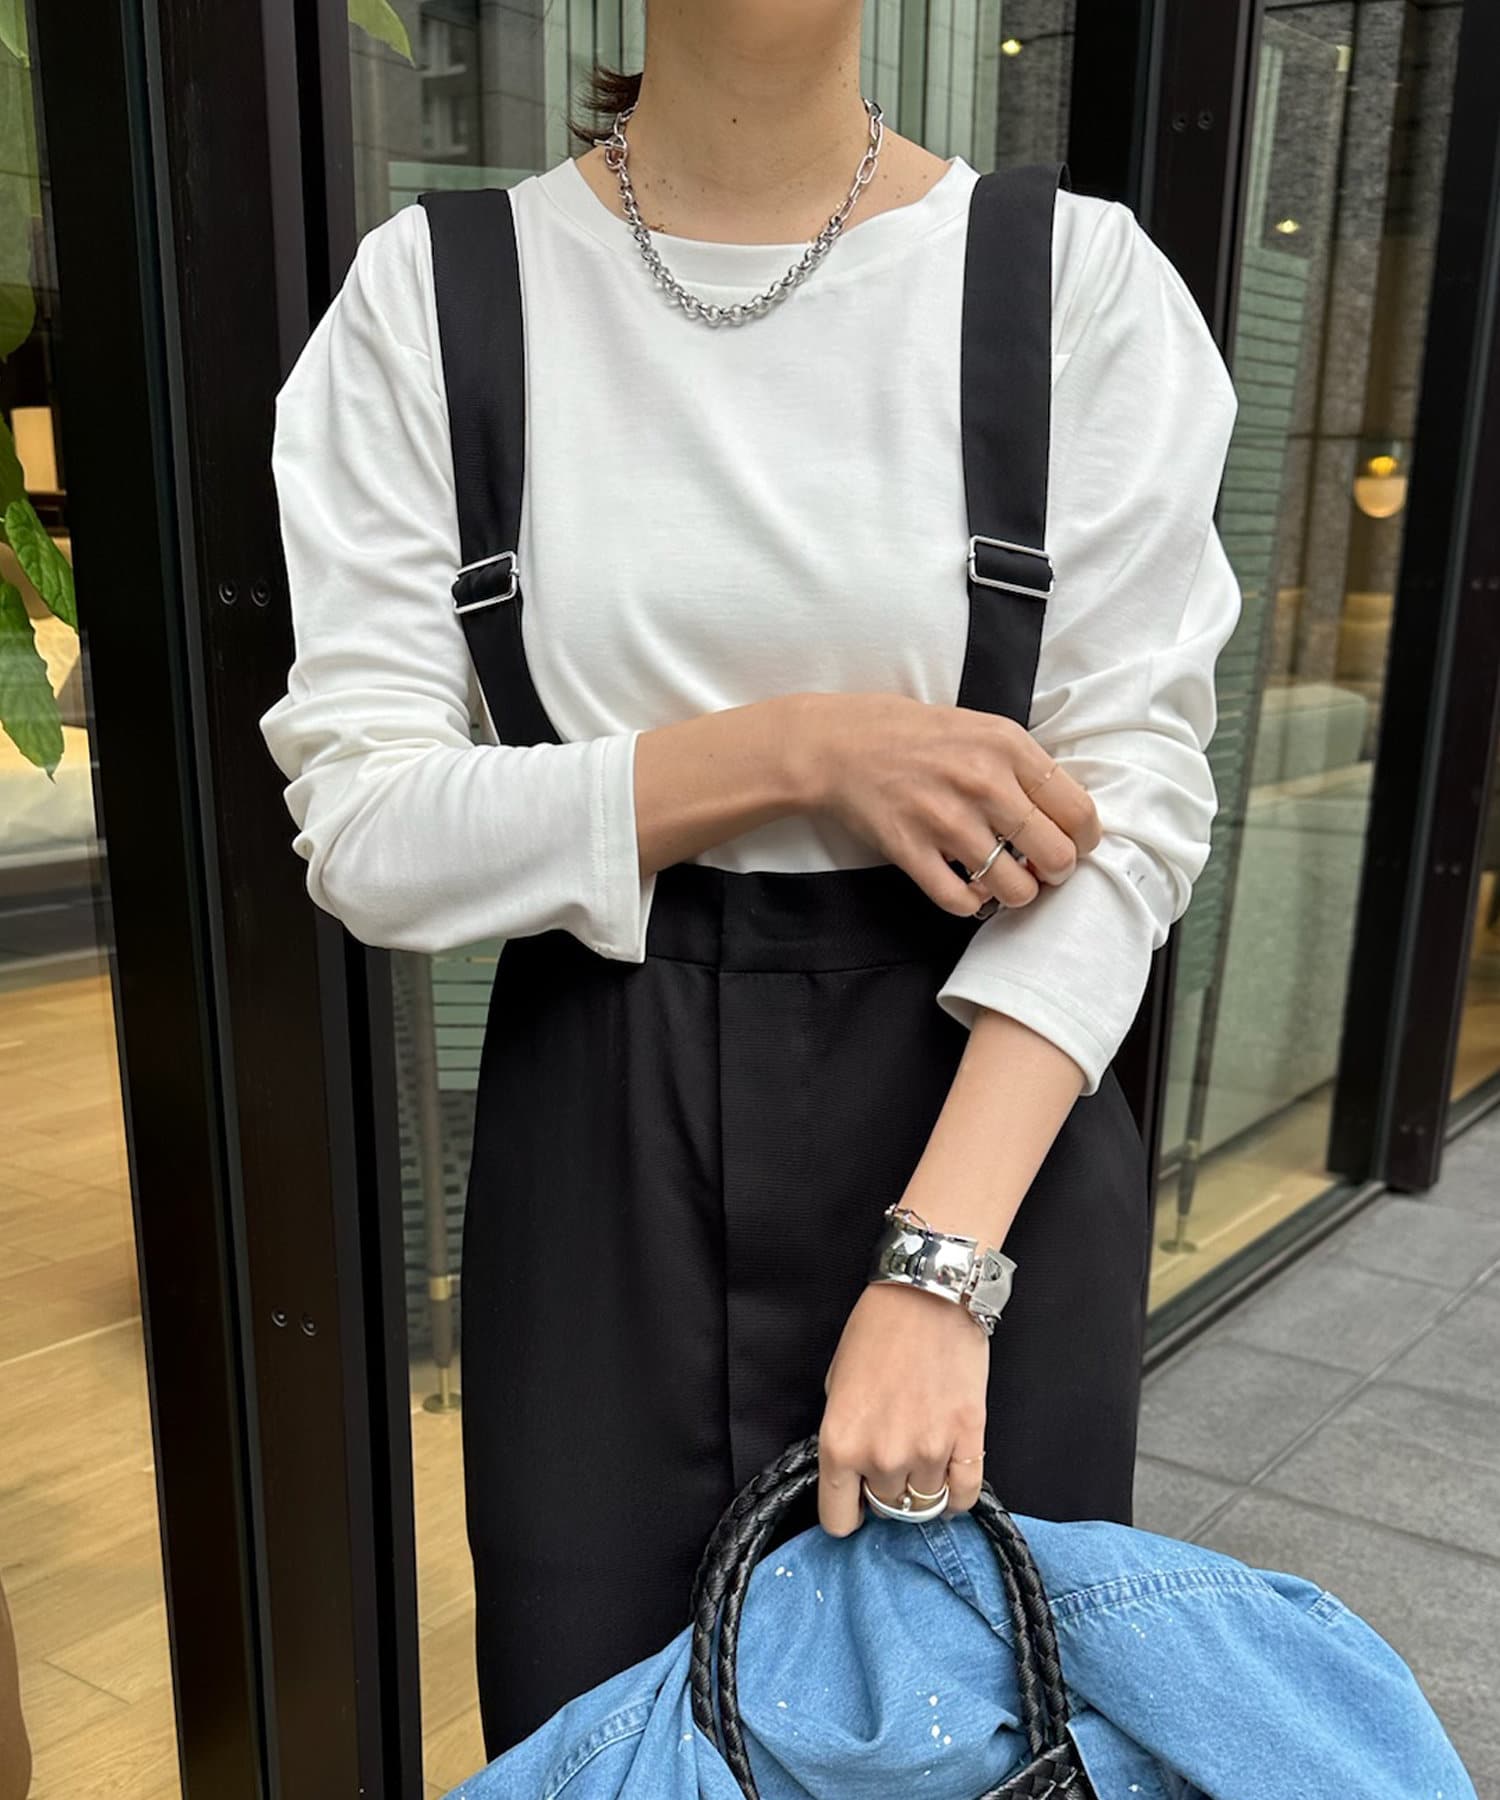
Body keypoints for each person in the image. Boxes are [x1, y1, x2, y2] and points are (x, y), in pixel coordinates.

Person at [259, 0, 1241, 1761]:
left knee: (974, 1736)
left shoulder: (1070, 283)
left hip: (983, 1110)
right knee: (605, 1722)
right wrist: (797, 752)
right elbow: (369, 827)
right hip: (602, 1138)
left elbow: (1132, 805)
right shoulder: (438, 294)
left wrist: (939, 1269)